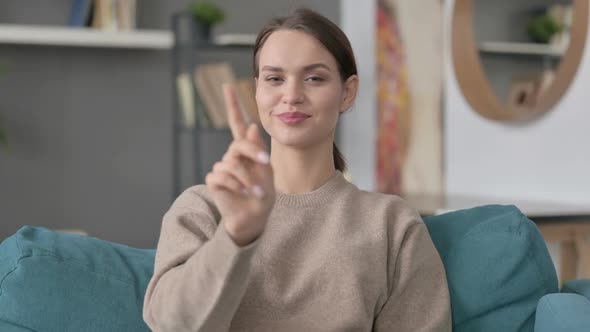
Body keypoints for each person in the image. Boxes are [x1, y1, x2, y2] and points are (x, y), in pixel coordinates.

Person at [143, 8, 451, 332]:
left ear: (347, 92)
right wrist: (235, 235)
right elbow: (170, 325)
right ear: (257, 90)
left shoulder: (392, 224)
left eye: (314, 78)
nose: (291, 96)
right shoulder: (201, 208)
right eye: (274, 79)